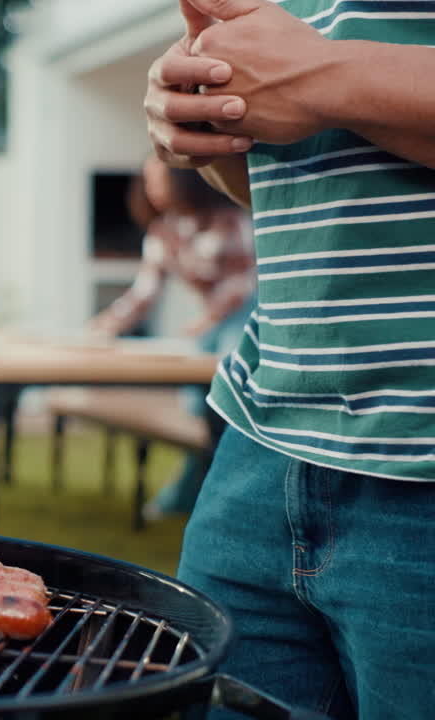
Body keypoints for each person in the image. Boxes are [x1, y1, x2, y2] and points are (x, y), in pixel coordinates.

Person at [145, 0, 435, 717]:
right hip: (261, 441)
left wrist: (324, 73)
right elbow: (304, 181)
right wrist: (205, 119)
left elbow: (316, 82)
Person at [91, 156, 255, 519]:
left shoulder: (228, 218)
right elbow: (144, 293)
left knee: (223, 402)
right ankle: (194, 490)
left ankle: (209, 495)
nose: (151, 187)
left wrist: (211, 316)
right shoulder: (162, 233)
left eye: (159, 178)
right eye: (147, 179)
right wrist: (107, 324)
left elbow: (248, 277)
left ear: (184, 179)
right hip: (213, 323)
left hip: (243, 316)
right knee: (197, 409)